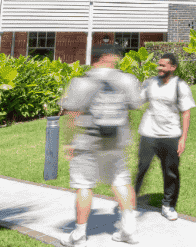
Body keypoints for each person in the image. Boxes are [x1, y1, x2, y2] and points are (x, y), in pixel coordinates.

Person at [59, 44, 143, 246]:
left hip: (87, 142)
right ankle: (128, 231)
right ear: (109, 57)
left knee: (84, 186)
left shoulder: (80, 82)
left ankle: (79, 235)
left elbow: (72, 115)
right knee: (121, 182)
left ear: (95, 58)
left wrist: (69, 142)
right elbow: (136, 105)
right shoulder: (127, 79)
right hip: (116, 142)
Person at [134, 52, 196, 221]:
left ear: (173, 67)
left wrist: (183, 139)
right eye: (159, 65)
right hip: (148, 133)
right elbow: (138, 101)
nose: (159, 68)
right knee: (142, 168)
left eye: (163, 65)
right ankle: (131, 203)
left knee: (170, 172)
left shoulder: (180, 86)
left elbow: (186, 113)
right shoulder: (150, 83)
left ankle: (168, 206)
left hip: (170, 135)